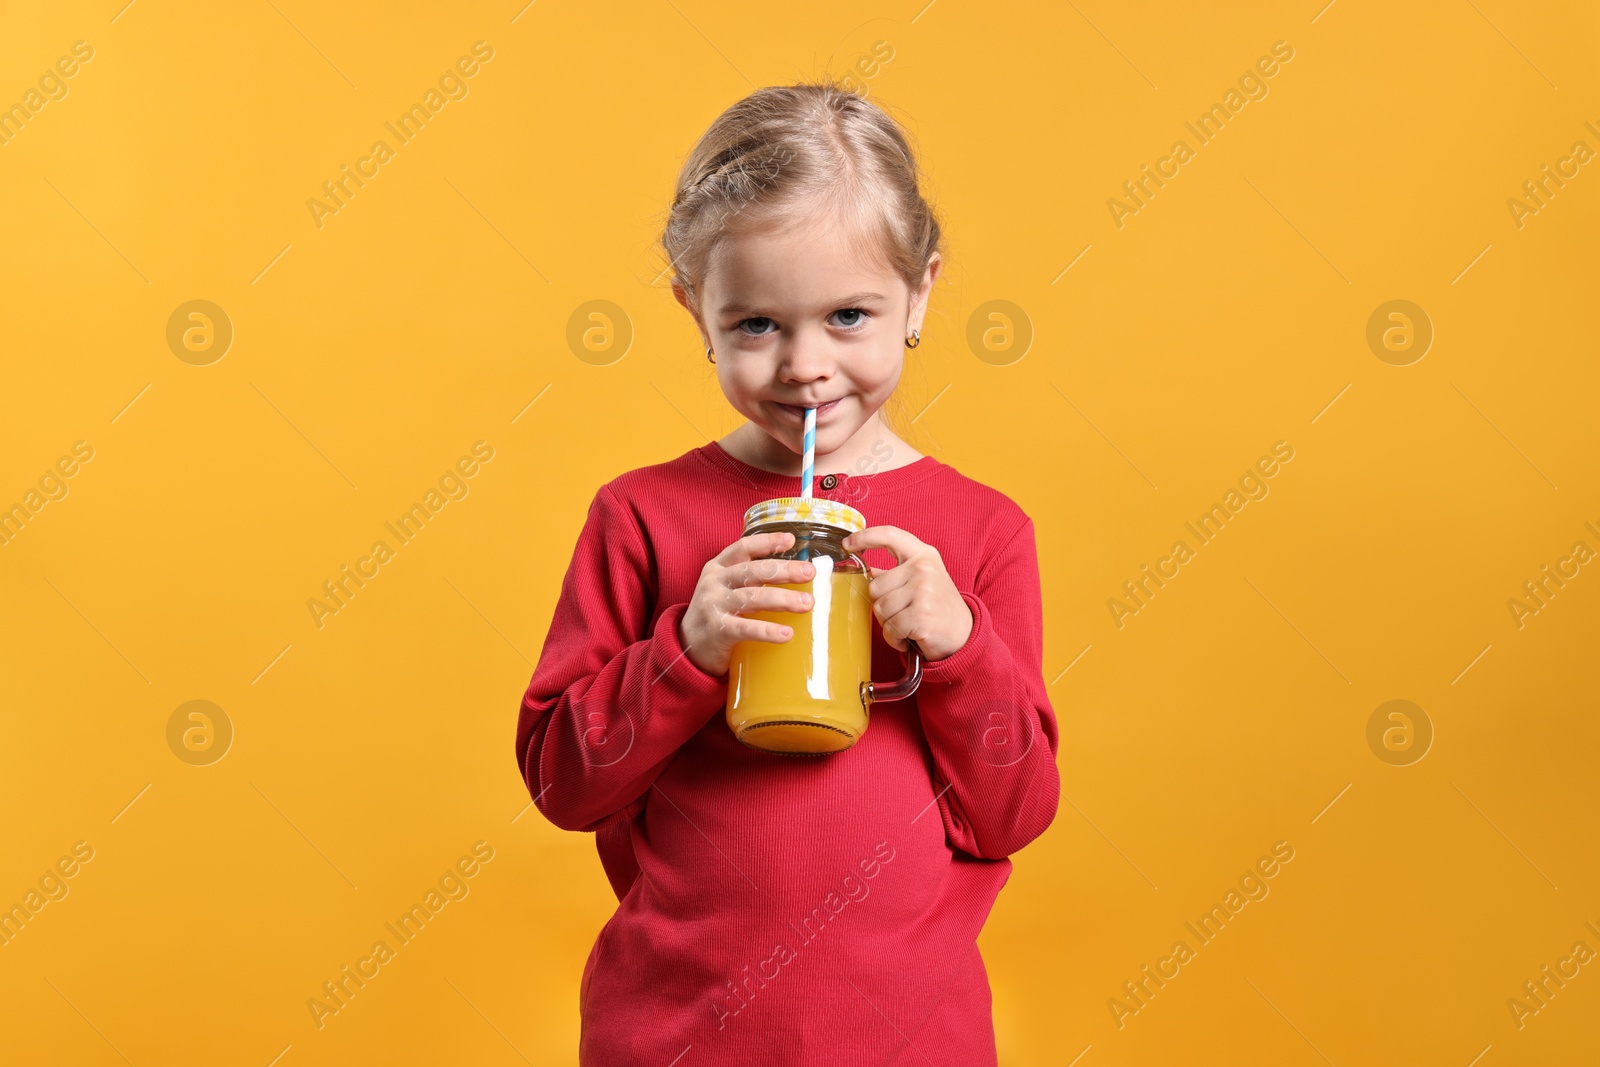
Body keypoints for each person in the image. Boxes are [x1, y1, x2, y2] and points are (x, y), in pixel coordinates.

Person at [515, 80, 1059, 1066]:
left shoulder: (983, 532)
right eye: (756, 325)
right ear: (697, 310)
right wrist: (684, 649)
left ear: (920, 294)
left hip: (910, 1039)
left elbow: (1011, 811)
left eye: (849, 314)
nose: (805, 366)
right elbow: (563, 782)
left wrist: (961, 646)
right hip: (675, 1032)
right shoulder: (639, 516)